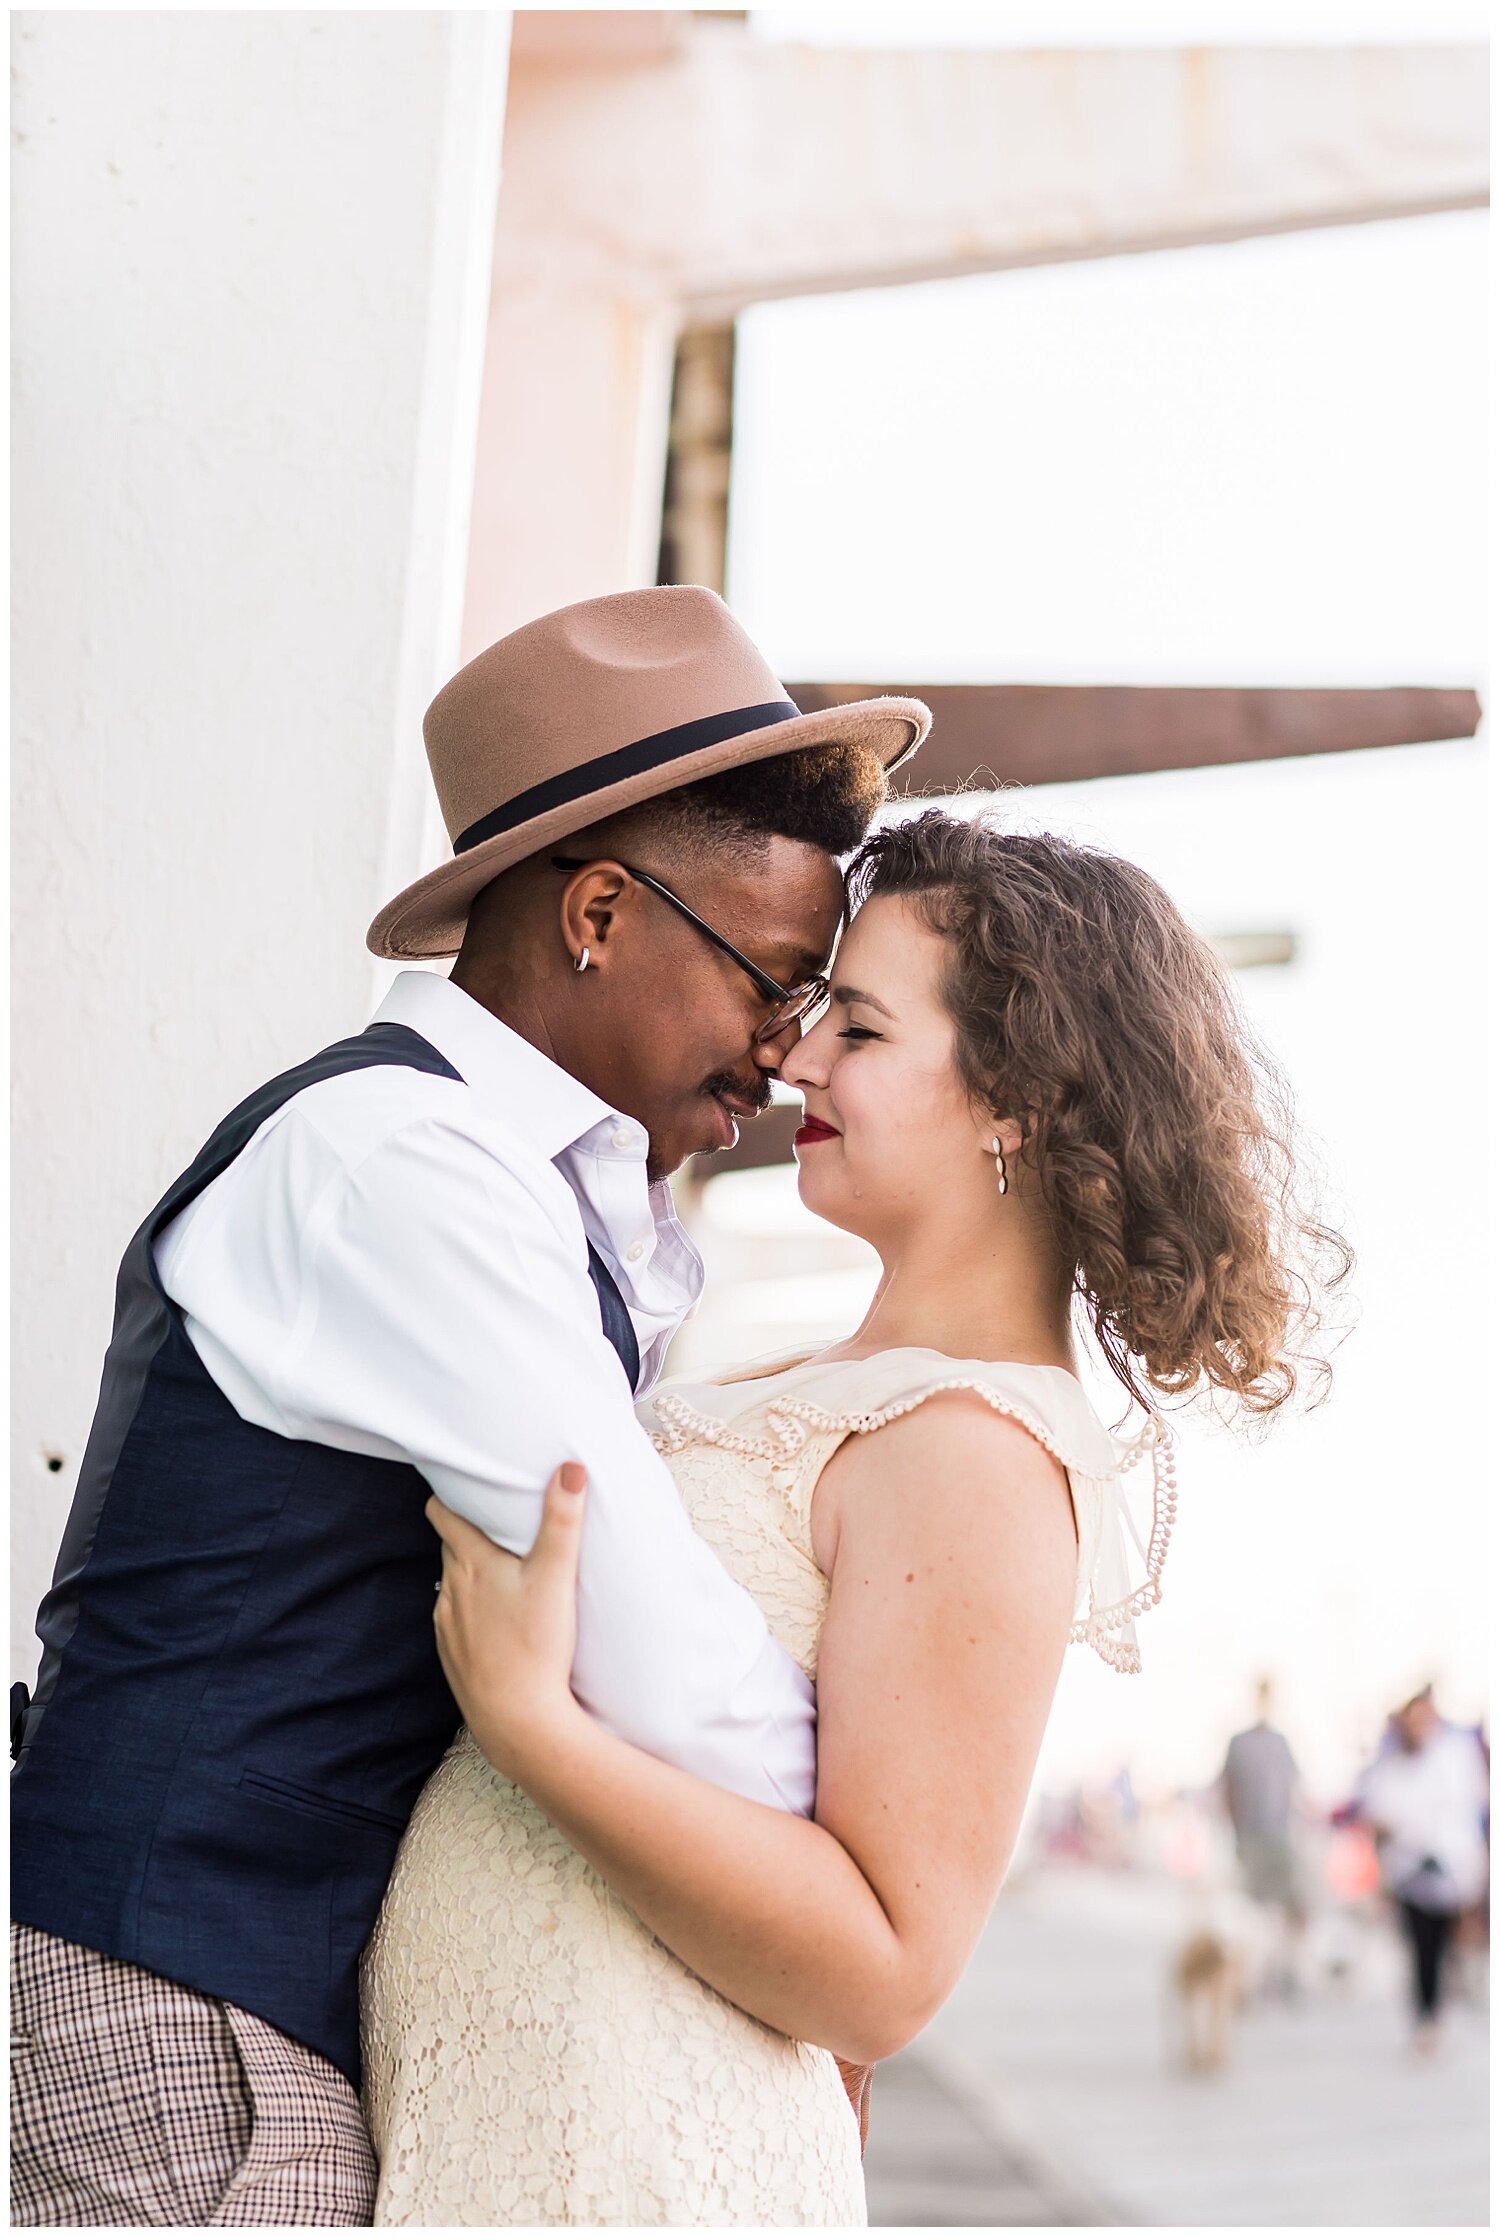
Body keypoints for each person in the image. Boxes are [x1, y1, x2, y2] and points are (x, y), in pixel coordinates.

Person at [9, 586, 930, 2226]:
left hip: (231, 2010)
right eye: (773, 981)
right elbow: (656, 1666)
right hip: (178, 2027)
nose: (786, 1051)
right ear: (594, 912)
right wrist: (874, 1875)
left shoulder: (519, 1186)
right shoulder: (404, 1170)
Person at [362, 807, 1353, 2225]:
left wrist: (533, 1731)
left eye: (863, 1032)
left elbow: (887, 1967)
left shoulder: (975, 1453)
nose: (793, 1052)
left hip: (625, 2153)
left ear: (1024, 1102)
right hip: (530, 2117)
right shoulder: (824, 1383)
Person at [1354, 1688, 1490, 2054]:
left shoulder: (1455, 1754)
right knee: (1421, 1945)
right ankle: (1425, 2017)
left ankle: (1438, 2012)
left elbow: (1470, 1805)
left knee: (1444, 1945)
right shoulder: (1394, 1761)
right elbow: (1377, 1808)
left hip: (1449, 1864)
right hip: (1410, 1866)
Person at [1218, 1677, 1307, 1994]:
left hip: (1280, 1835)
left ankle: (1283, 1971)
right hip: (1253, 1837)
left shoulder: (1281, 1741)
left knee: (1294, 1907)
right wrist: (1237, 1835)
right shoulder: (1239, 1742)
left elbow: (1294, 1787)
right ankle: (1252, 1978)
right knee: (1253, 1912)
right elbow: (1227, 1790)